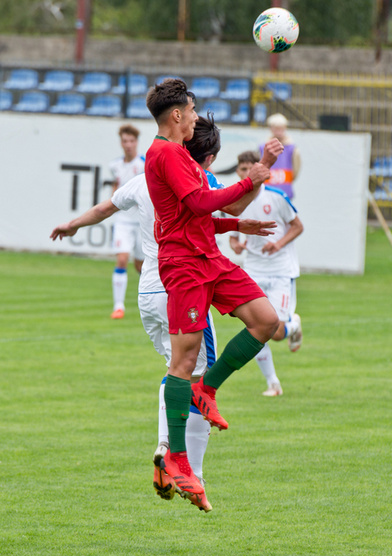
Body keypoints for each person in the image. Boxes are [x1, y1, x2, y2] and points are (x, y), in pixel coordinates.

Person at [50, 115, 276, 512]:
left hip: (150, 291)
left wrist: (72, 225)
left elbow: (105, 208)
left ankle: (164, 447)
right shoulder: (196, 178)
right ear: (208, 158)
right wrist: (256, 178)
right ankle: (187, 468)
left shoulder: (147, 178)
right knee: (191, 371)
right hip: (183, 281)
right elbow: (217, 203)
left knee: (178, 365)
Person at [144, 78, 285, 499]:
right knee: (183, 361)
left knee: (266, 320)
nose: (192, 115)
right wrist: (252, 177)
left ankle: (207, 391)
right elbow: (199, 204)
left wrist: (236, 222)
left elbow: (203, 213)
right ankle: (176, 460)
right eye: (190, 110)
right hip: (184, 266)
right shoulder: (164, 153)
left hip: (208, 256)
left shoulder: (179, 155)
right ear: (176, 115)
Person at [229, 151, 304, 397]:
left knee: (278, 333)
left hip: (280, 271)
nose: (246, 172)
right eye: (242, 168)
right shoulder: (233, 199)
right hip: (252, 269)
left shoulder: (277, 197)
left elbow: (298, 226)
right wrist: (235, 244)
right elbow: (231, 232)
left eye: (251, 167)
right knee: (256, 327)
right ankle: (273, 383)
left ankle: (293, 324)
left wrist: (278, 244)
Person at [108, 124, 146, 319]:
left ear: (136, 142)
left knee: (141, 266)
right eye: (125, 141)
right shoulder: (115, 165)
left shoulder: (144, 164)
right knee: (122, 258)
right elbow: (115, 190)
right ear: (121, 143)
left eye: (131, 141)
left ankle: (149, 299)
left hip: (141, 222)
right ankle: (118, 306)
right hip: (123, 220)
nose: (128, 144)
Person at [259, 113, 301, 199]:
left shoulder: (292, 148)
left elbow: (296, 170)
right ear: (271, 128)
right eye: (276, 128)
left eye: (281, 128)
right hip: (266, 192)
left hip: (285, 192)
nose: (279, 131)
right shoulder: (263, 147)